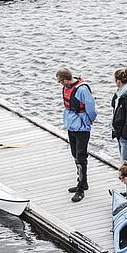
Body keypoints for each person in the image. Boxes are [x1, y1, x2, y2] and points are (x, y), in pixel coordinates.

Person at [55, 66, 96, 202]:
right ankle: (82, 181)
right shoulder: (67, 87)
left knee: (81, 156)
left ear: (66, 80)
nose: (61, 84)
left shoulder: (82, 90)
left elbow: (91, 109)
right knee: (74, 154)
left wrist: (88, 121)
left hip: (82, 127)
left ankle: (81, 189)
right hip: (71, 125)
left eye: (61, 81)